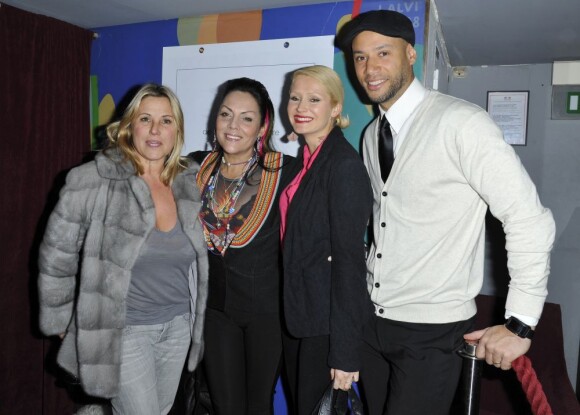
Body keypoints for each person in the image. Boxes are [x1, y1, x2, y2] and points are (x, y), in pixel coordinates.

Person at [336, 10, 556, 415]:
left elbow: (529, 218)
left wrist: (520, 323)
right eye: (360, 57)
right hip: (373, 322)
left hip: (432, 331)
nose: (370, 68)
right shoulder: (371, 136)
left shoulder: (462, 123)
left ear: (410, 54)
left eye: (383, 53)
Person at [37, 83, 209, 415]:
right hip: (122, 328)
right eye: (146, 119)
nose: (156, 129)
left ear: (178, 130)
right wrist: (60, 318)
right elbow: (56, 255)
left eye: (167, 120)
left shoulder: (188, 182)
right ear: (129, 126)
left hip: (177, 325)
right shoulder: (93, 179)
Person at [191, 77, 297, 415]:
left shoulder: (287, 171)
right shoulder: (194, 167)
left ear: (262, 126)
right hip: (215, 310)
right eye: (225, 114)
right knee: (225, 407)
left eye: (246, 118)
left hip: (267, 313)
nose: (233, 126)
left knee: (258, 406)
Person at [280, 65, 374, 415]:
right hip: (300, 317)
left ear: (335, 108)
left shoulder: (342, 165)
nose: (300, 106)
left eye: (314, 99)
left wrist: (346, 351)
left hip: (327, 325)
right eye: (295, 97)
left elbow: (350, 262)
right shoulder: (305, 161)